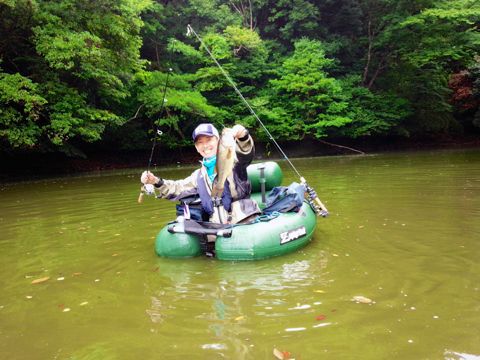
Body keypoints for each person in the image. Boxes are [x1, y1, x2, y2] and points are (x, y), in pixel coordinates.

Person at [140, 123, 260, 225]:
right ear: (196, 148)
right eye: (200, 142)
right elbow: (178, 188)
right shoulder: (198, 175)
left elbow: (246, 151)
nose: (205, 145)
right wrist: (155, 181)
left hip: (242, 219)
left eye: (209, 140)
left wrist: (243, 135)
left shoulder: (235, 159)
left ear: (218, 141)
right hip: (217, 226)